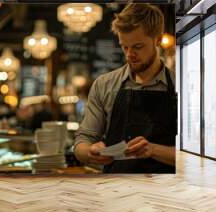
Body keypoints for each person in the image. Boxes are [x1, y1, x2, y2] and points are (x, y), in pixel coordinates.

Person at [74, 4, 177, 173]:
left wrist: (153, 150)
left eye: (137, 47)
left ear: (157, 40)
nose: (129, 54)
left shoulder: (182, 87)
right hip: (115, 189)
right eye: (124, 47)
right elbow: (82, 141)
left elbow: (196, 156)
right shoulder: (104, 85)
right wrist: (90, 152)